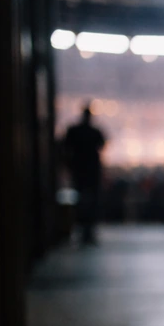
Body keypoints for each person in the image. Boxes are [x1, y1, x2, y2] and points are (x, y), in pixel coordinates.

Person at [63, 105, 107, 245]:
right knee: (92, 202)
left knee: (80, 201)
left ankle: (81, 228)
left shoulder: (74, 131)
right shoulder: (95, 132)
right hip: (91, 172)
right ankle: (88, 230)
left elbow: (65, 147)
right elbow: (102, 145)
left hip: (79, 170)